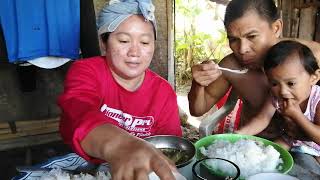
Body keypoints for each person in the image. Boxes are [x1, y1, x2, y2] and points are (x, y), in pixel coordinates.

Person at [58, 0, 182, 179]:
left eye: (145, 42)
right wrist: (121, 145)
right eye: (124, 40)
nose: (135, 52)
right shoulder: (86, 71)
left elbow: (169, 147)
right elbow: (79, 110)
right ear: (104, 42)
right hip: (88, 167)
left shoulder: (163, 92)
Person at [188, 0, 320, 139]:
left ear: (276, 28)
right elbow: (197, 110)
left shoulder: (314, 56)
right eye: (233, 39)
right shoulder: (230, 67)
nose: (242, 49)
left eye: (251, 36)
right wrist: (198, 83)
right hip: (254, 145)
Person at [251, 40, 320, 173]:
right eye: (274, 83)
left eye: (291, 83)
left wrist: (297, 115)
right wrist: (241, 133)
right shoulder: (276, 96)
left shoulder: (317, 100)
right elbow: (263, 118)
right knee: (264, 158)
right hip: (289, 140)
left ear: (314, 77)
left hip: (314, 149)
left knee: (303, 168)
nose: (282, 91)